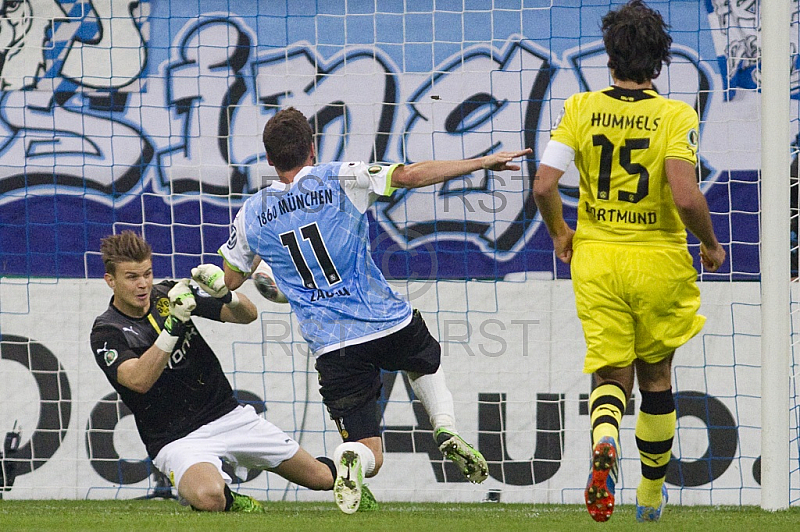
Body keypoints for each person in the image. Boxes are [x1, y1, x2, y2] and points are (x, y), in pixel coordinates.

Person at [217, 106, 531, 513]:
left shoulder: (252, 215)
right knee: (425, 359)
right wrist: (482, 161)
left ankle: (355, 460)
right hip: (385, 323)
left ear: (270, 160)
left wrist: (272, 283)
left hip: (333, 348)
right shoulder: (341, 177)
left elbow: (229, 280)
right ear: (312, 148)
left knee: (370, 453)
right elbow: (410, 176)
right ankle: (445, 428)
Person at [532, 0, 726, 524]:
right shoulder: (675, 115)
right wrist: (708, 244)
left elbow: (544, 183)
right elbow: (686, 198)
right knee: (657, 376)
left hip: (598, 260)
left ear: (609, 56)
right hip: (659, 261)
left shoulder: (580, 108)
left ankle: (603, 442)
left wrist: (559, 232)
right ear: (660, 61)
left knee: (611, 376)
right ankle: (648, 493)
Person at [89, 231, 337, 513]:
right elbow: (138, 380)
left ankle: (349, 481)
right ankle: (230, 500)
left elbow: (247, 315)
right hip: (175, 439)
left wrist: (227, 295)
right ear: (111, 281)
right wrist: (174, 327)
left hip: (227, 415)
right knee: (209, 497)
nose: (143, 284)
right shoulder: (107, 332)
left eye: (147, 273)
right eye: (132, 277)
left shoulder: (170, 294)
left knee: (321, 478)